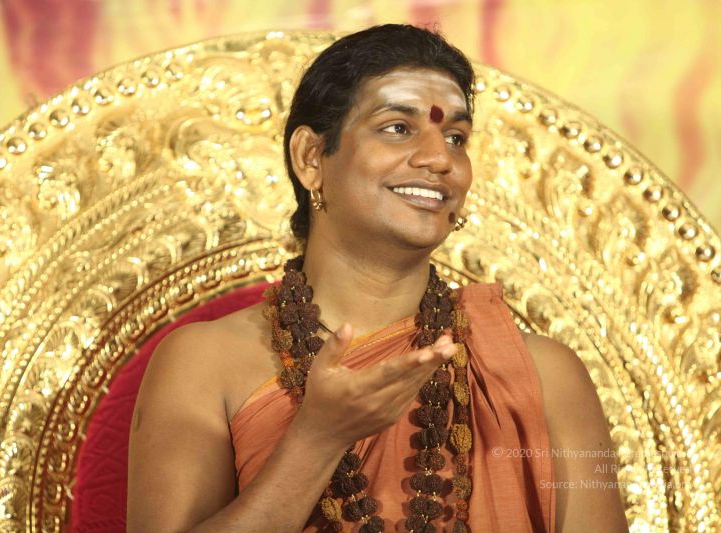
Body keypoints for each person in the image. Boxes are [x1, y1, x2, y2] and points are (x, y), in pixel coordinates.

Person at [127, 24, 628, 533]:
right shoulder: (203, 363)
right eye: (398, 128)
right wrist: (316, 440)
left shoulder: (547, 377)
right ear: (311, 158)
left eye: (456, 137)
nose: (440, 159)